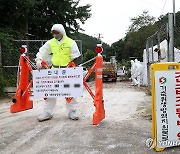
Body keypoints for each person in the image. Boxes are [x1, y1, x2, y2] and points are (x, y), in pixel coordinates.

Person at [35, 24, 81, 122]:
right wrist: (39, 59)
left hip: (68, 70)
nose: (55, 35)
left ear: (62, 32)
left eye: (57, 33)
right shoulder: (51, 43)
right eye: (53, 33)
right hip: (54, 70)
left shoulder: (70, 43)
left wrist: (75, 68)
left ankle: (72, 111)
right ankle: (48, 112)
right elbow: (43, 51)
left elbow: (76, 57)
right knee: (50, 91)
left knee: (70, 92)